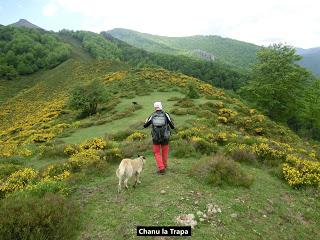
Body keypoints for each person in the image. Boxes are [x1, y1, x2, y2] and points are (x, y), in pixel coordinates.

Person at [144, 101, 175, 174]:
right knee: (165, 152)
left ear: (155, 107)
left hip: (155, 138)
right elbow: (172, 126)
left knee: (157, 153)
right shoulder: (166, 114)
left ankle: (161, 168)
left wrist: (146, 121)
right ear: (161, 106)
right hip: (165, 137)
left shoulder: (152, 115)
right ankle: (165, 165)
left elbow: (145, 126)